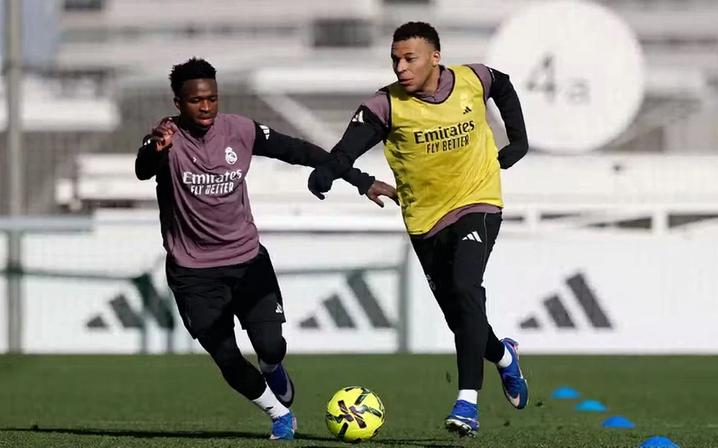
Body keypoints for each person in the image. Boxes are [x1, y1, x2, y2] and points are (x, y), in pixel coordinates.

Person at [135, 57, 397, 441]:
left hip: (246, 260)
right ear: (178, 103)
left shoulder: (239, 129)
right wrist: (157, 149)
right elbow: (143, 168)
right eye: (196, 101)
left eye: (212, 98)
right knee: (225, 356)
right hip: (193, 273)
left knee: (271, 345)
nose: (206, 106)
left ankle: (273, 367)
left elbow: (300, 151)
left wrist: (360, 180)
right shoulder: (165, 138)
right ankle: (279, 415)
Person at [307, 22, 530, 437]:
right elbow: (346, 150)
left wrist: (517, 140)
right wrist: (327, 173)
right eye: (395, 59)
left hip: (477, 200)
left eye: (410, 58)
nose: (401, 67)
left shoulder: (472, 79)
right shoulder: (384, 106)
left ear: (435, 57)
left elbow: (504, 84)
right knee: (460, 317)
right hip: (424, 220)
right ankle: (503, 358)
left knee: (466, 289)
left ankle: (467, 403)